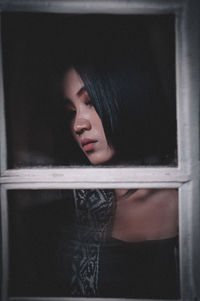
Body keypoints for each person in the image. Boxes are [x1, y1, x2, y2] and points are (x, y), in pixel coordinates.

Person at [60, 44, 179, 297]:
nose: (78, 125)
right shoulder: (84, 199)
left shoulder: (187, 190)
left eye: (90, 102)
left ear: (128, 96)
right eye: (71, 112)